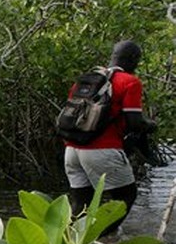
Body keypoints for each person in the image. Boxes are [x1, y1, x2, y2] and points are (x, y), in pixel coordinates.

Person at [63, 40, 156, 233]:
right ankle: (101, 238)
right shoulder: (130, 81)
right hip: (102, 149)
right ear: (133, 59)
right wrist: (151, 126)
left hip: (72, 151)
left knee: (81, 205)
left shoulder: (86, 79)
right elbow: (134, 123)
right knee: (125, 196)